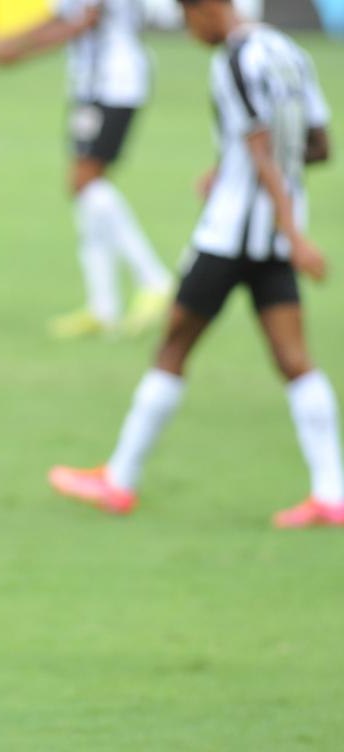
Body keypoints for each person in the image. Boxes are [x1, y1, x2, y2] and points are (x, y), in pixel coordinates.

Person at [49, 0, 342, 528]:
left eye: (187, 18)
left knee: (172, 346)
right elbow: (318, 146)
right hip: (273, 240)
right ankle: (331, 493)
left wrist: (292, 232)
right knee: (294, 359)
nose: (188, 32)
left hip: (229, 237)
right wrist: (235, 172)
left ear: (208, 10)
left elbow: (260, 150)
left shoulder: (234, 59)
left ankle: (120, 479)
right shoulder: (288, 52)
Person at [0, 0, 175, 339]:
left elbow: (79, 22)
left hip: (112, 82)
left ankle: (154, 280)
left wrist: (3, 49)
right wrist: (3, 47)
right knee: (84, 186)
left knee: (86, 183)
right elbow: (63, 18)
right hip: (96, 82)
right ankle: (103, 307)